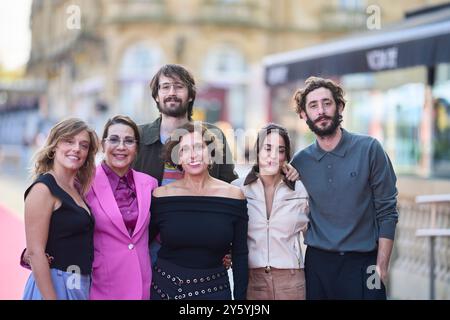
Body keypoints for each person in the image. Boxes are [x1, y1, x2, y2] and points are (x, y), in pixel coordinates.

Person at [291, 76, 399, 300]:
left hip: (365, 262)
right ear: (303, 114)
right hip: (318, 265)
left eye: (327, 103)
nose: (321, 111)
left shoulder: (369, 149)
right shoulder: (300, 163)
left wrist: (381, 267)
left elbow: (387, 210)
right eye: (313, 105)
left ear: (339, 106)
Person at [149, 122, 248, 300]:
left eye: (198, 147)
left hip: (214, 291)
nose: (193, 155)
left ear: (210, 154)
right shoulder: (161, 196)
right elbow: (141, 243)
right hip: (164, 289)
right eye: (184, 150)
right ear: (177, 158)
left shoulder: (234, 196)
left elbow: (240, 254)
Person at [22, 118, 98, 300]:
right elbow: (35, 252)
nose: (77, 149)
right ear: (54, 145)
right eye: (69, 141)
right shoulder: (43, 188)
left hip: (78, 284)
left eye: (84, 145)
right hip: (54, 285)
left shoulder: (77, 189)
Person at [232, 123, 309, 300]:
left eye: (280, 150)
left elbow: (313, 236)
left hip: (291, 280)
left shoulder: (301, 191)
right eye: (267, 148)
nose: (273, 156)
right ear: (257, 152)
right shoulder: (238, 189)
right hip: (253, 280)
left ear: (286, 156)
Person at [85, 115, 158, 299]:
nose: (121, 147)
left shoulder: (150, 184)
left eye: (129, 141)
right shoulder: (85, 183)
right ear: (103, 145)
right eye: (114, 139)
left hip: (142, 284)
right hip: (102, 284)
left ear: (137, 148)